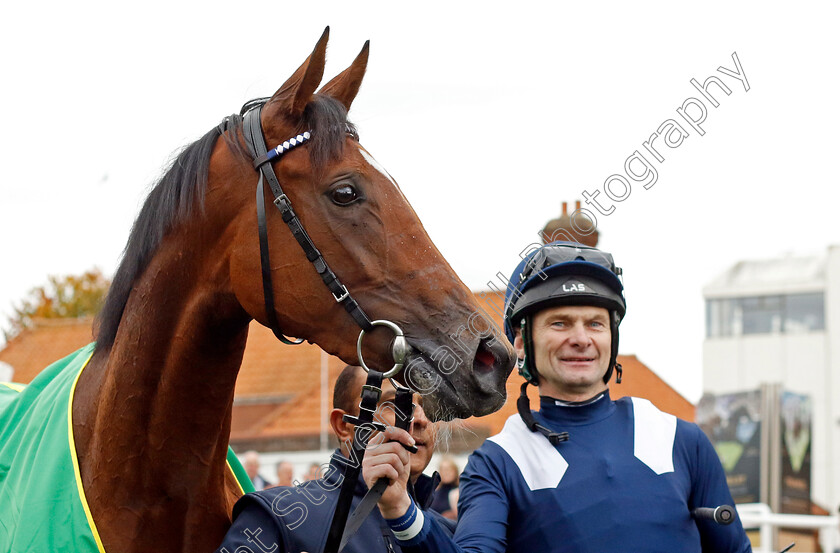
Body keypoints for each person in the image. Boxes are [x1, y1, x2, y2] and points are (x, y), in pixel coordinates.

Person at [362, 241, 753, 553]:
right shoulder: (497, 461)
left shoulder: (682, 441)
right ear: (520, 340)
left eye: (595, 323)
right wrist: (400, 509)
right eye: (560, 323)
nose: (581, 338)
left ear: (612, 338)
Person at [215, 365, 454, 553]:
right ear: (343, 426)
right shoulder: (279, 517)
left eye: (428, 407)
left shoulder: (449, 534)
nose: (420, 419)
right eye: (393, 404)